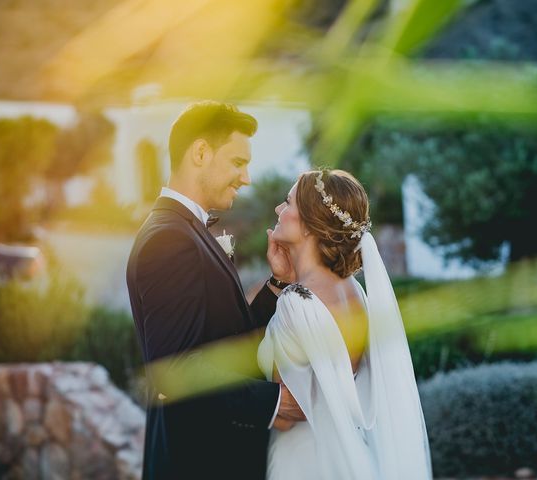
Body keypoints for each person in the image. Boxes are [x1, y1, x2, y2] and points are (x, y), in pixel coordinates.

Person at [126, 101, 305, 480]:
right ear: (201, 152)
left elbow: (222, 343)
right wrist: (275, 403)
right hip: (197, 462)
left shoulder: (185, 230)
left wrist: (277, 284)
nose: (247, 178)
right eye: (238, 162)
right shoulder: (170, 239)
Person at [258, 169, 433, 479]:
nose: (278, 210)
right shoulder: (355, 292)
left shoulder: (295, 303)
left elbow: (286, 414)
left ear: (310, 225)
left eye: (287, 203)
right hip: (352, 456)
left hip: (302, 462)